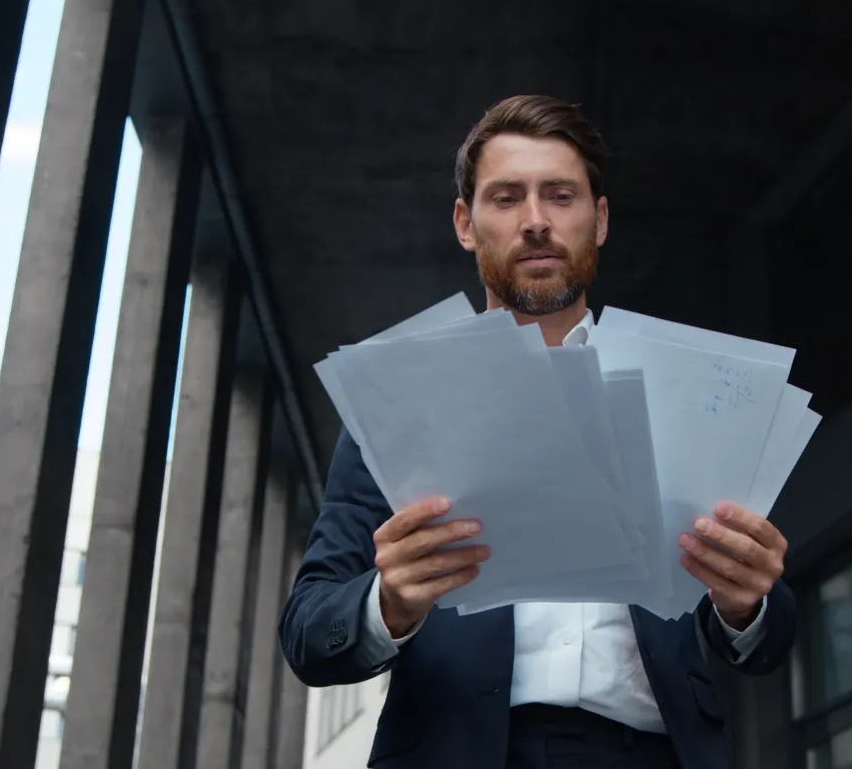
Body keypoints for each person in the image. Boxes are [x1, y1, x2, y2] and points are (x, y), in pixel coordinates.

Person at [279, 95, 797, 769]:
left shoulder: (686, 392)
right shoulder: (399, 402)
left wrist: (748, 603)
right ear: (465, 224)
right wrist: (389, 602)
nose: (535, 221)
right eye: (506, 198)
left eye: (560, 195)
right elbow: (308, 630)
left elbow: (769, 635)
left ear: (599, 219)